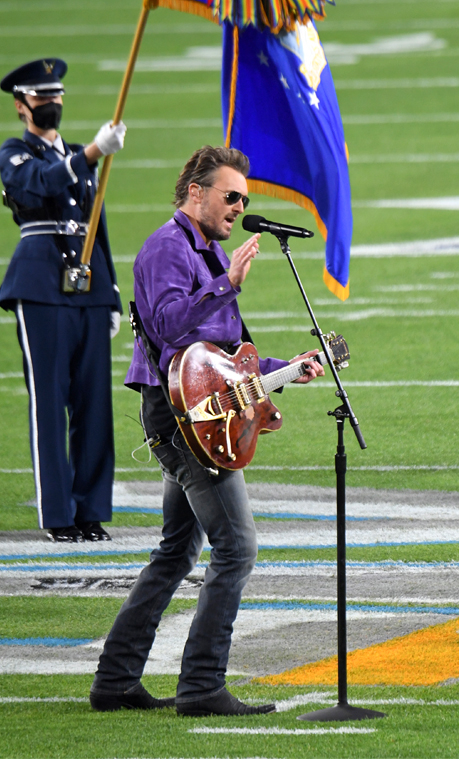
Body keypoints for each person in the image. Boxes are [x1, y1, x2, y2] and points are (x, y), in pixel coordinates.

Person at [90, 146, 324, 716]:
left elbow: (221, 362)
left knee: (176, 550)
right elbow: (168, 325)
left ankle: (116, 680)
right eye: (231, 196)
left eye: (244, 198)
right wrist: (228, 284)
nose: (240, 207)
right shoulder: (168, 248)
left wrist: (285, 370)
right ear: (196, 192)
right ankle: (200, 685)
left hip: (201, 410)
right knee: (237, 547)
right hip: (181, 417)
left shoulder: (203, 250)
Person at [0, 59, 126, 543]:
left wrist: (112, 292)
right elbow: (39, 184)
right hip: (39, 285)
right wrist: (92, 152)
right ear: (21, 104)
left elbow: (98, 226)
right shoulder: (14, 153)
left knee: (95, 403)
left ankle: (91, 511)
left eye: (56, 96)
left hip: (88, 286)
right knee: (50, 402)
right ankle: (58, 515)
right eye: (40, 97)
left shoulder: (77, 153)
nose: (50, 104)